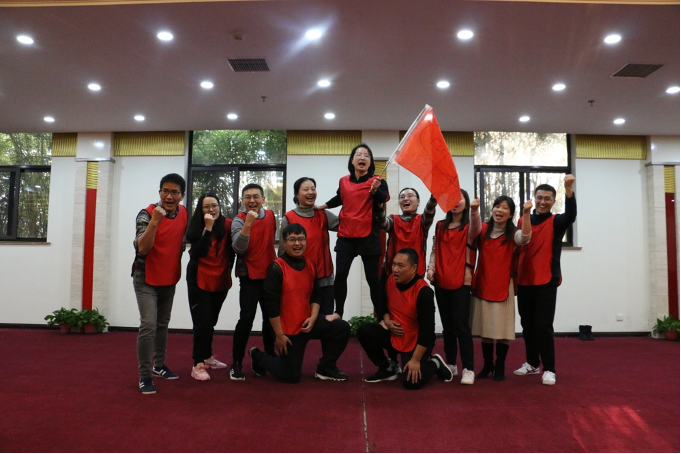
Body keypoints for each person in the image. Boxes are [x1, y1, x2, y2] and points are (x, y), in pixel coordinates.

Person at [249, 223, 351, 383]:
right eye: (292, 239)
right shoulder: (276, 268)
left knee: (342, 328)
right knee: (290, 377)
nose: (297, 243)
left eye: (301, 239)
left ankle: (325, 367)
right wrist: (279, 335)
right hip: (287, 331)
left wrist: (313, 318)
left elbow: (316, 297)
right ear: (284, 243)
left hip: (308, 323)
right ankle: (257, 355)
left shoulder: (311, 265)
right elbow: (271, 306)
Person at [358, 248, 453, 390]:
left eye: (400, 266)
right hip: (394, 334)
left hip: (416, 341)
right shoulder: (390, 280)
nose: (395, 269)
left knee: (411, 382)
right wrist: (386, 320)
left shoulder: (424, 292)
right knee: (364, 330)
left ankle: (435, 362)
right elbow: (382, 304)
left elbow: (427, 331)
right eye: (394, 264)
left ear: (414, 268)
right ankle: (387, 368)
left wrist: (415, 360)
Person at [514, 175, 577, 386]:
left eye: (547, 198)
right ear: (534, 198)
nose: (542, 202)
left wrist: (568, 189)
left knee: (543, 327)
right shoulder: (523, 220)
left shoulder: (556, 221)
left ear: (553, 201)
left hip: (546, 280)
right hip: (524, 280)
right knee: (527, 325)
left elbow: (571, 215)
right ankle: (532, 364)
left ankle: (549, 369)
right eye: (539, 197)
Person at [315, 143, 389, 319]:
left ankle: (382, 317)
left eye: (366, 155)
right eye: (358, 154)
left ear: (370, 162)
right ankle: (338, 312)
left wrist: (375, 190)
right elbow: (340, 197)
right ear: (352, 160)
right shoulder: (343, 181)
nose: (362, 157)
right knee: (340, 275)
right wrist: (322, 206)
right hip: (346, 234)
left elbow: (383, 198)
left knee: (373, 279)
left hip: (368, 235)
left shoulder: (377, 181)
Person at [132, 173, 188, 395]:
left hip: (169, 276)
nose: (169, 196)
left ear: (182, 196)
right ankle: (145, 375)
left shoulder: (183, 213)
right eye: (165, 191)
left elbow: (182, 241)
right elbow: (142, 247)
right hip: (145, 276)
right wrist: (155, 222)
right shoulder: (146, 214)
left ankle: (159, 365)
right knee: (149, 325)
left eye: (174, 192)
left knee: (163, 324)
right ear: (159, 192)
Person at [471, 196, 532, 382]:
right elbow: (471, 231)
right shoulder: (483, 229)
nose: (499, 210)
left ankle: (500, 365)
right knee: (486, 327)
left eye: (504, 208)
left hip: (504, 285)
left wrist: (527, 214)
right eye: (497, 206)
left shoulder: (513, 234)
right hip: (483, 283)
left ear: (510, 214)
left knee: (503, 329)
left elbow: (525, 238)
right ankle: (488, 364)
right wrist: (474, 210)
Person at [427, 189, 481, 385]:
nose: (456, 202)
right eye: (451, 198)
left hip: (462, 281)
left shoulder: (469, 227)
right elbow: (435, 250)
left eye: (460, 199)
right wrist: (431, 268)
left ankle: (468, 368)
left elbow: (476, 228)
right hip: (441, 280)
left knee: (461, 326)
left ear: (466, 203)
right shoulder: (440, 225)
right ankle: (451, 364)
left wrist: (474, 211)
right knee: (448, 327)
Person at [185, 193, 235, 381]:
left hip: (220, 280)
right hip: (199, 279)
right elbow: (199, 252)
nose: (211, 209)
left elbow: (234, 250)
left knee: (211, 321)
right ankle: (197, 364)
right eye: (206, 207)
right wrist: (208, 228)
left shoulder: (228, 224)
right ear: (200, 210)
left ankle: (207, 357)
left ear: (220, 207)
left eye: (214, 205)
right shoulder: (196, 227)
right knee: (202, 322)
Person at [230, 183, 277, 380]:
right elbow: (238, 248)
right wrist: (248, 223)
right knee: (246, 320)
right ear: (242, 201)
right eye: (247, 197)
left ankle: (268, 360)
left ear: (263, 199)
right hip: (249, 277)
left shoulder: (271, 216)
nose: (252, 200)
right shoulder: (238, 220)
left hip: (270, 278)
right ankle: (237, 363)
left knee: (271, 321)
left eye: (256, 196)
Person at [279, 177, 339, 317]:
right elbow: (282, 252)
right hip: (299, 280)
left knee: (326, 320)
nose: (310, 192)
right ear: (296, 194)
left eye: (313, 188)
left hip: (325, 278)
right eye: (306, 189)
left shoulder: (323, 214)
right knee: (300, 320)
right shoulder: (289, 218)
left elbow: (347, 227)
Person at [381, 188, 437, 278]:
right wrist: (379, 204)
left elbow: (429, 210)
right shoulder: (393, 220)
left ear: (418, 202)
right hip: (392, 272)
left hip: (415, 272)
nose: (405, 199)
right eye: (402, 197)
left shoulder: (422, 221)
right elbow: (382, 223)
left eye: (410, 196)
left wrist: (433, 199)